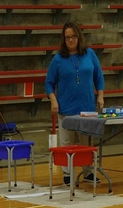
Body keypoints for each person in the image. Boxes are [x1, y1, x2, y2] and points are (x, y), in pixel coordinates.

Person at [45, 21, 105, 184]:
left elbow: (99, 77)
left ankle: (87, 172)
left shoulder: (90, 54)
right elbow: (49, 83)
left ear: (79, 37)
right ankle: (67, 174)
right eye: (67, 38)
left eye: (73, 36)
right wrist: (53, 100)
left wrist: (100, 96)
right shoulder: (58, 59)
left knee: (86, 141)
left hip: (87, 108)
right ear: (63, 40)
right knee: (66, 142)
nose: (70, 40)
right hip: (66, 108)